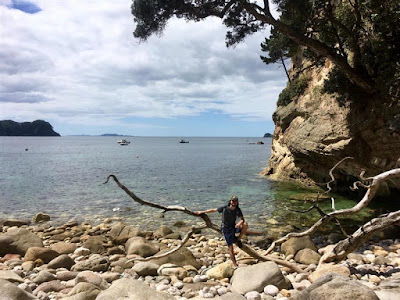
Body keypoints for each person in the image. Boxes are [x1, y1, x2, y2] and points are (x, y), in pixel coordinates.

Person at [195, 196, 248, 267]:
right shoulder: (225, 208)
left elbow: (242, 219)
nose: (234, 202)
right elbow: (214, 210)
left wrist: (239, 223)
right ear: (230, 201)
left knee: (245, 225)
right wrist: (202, 212)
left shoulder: (238, 210)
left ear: (237, 202)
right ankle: (235, 264)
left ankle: (238, 239)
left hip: (233, 227)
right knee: (231, 248)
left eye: (235, 201)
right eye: (233, 201)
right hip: (226, 229)